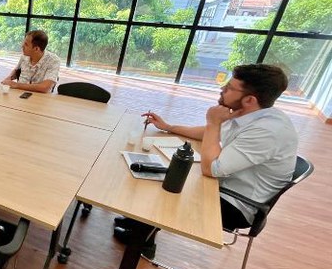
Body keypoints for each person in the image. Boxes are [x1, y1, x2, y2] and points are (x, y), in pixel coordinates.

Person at [115, 64, 299, 258]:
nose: (222, 90)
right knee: (164, 169)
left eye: (229, 88)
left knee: (169, 182)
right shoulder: (251, 113)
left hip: (235, 203)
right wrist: (169, 127)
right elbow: (209, 134)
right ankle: (139, 224)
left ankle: (143, 242)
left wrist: (214, 122)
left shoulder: (267, 131)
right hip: (225, 183)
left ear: (250, 99)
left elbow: (212, 168)